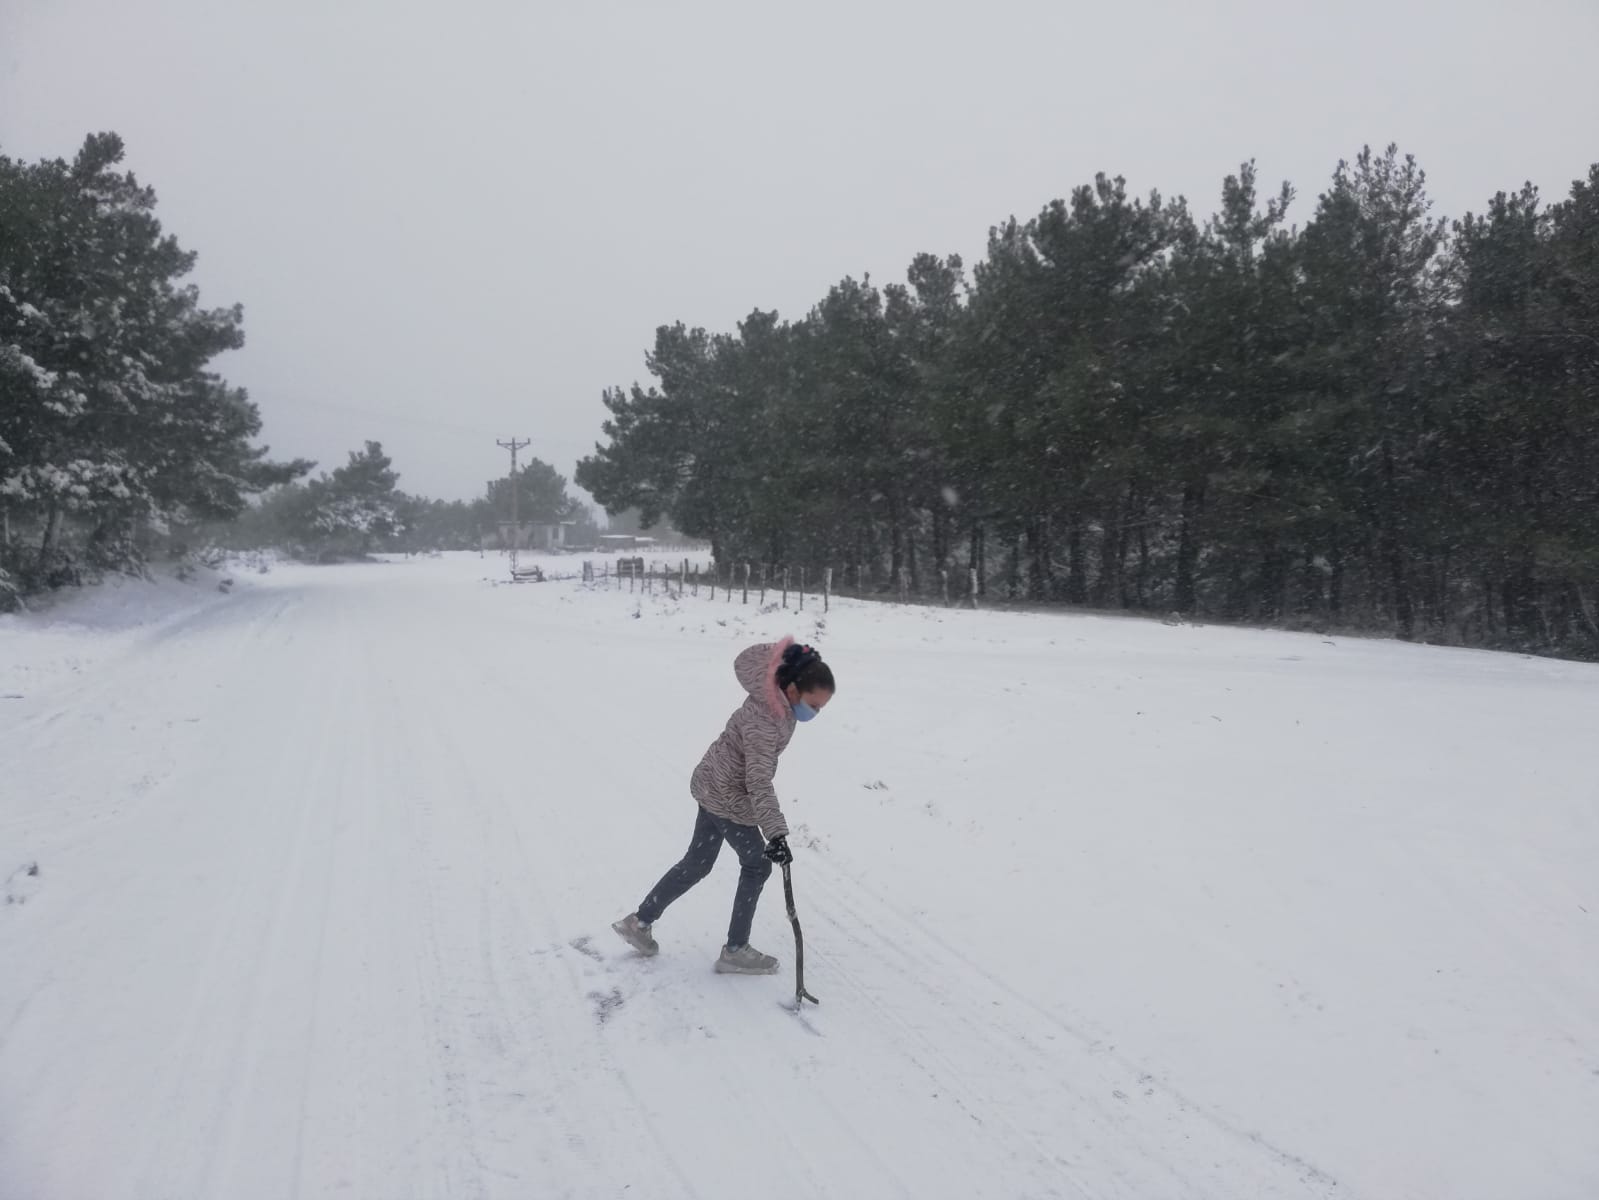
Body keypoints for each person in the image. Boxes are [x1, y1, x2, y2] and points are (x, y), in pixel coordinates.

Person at [612, 637, 835, 974]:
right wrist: (775, 834)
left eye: (821, 708)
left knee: (698, 862)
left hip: (712, 784)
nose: (814, 713)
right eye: (813, 705)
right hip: (728, 795)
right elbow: (758, 781)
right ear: (792, 689)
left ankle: (639, 923)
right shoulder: (765, 719)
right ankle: (735, 949)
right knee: (758, 865)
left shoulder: (776, 703)